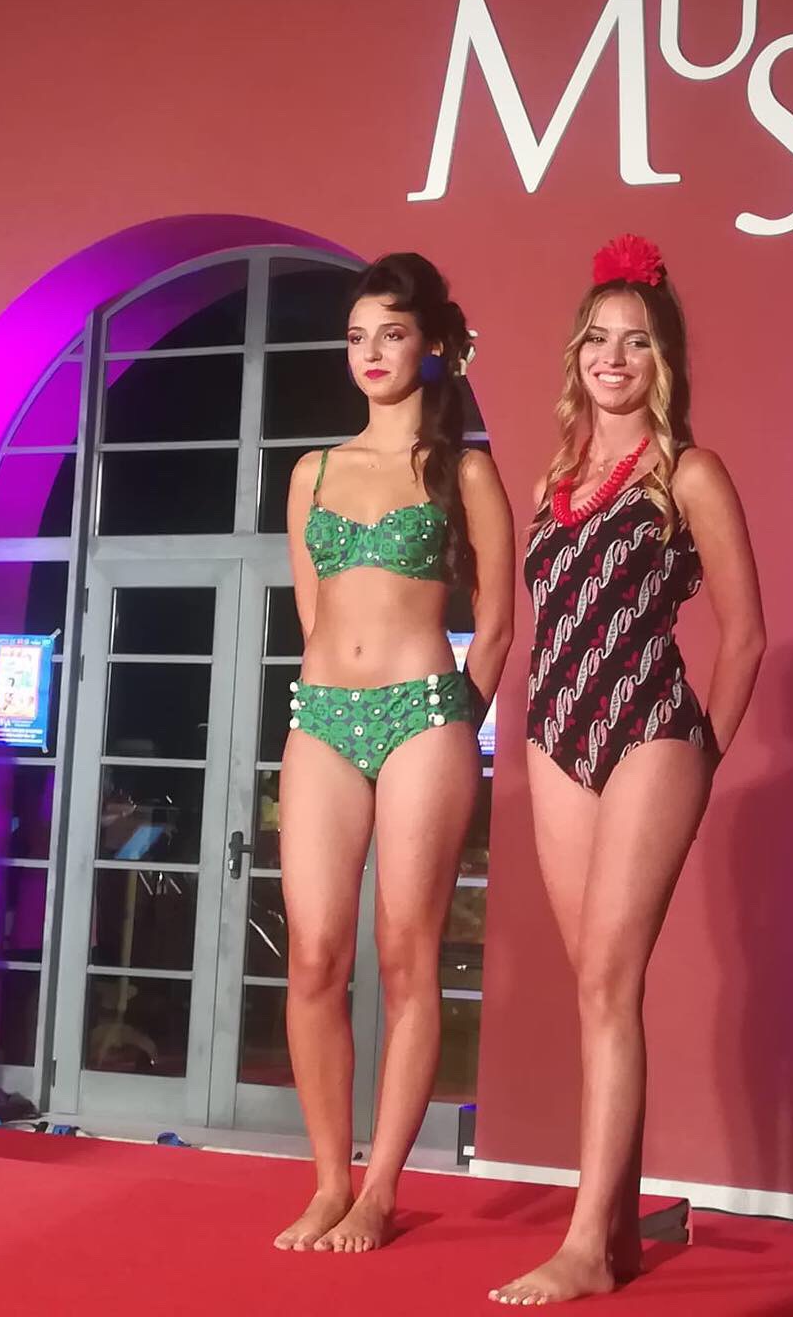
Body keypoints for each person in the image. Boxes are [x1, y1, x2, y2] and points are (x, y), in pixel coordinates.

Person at [489, 235, 766, 1305]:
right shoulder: (553, 477)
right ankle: (618, 1236)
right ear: (577, 355)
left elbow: (745, 635)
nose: (613, 357)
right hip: (554, 732)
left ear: (665, 361)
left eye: (636, 341)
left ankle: (581, 1245)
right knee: (598, 992)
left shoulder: (689, 473)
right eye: (598, 339)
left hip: (651, 725)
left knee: (609, 982)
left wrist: (702, 760)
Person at [272, 253, 514, 1254]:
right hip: (323, 718)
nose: (371, 353)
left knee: (406, 954)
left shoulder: (465, 470)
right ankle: (329, 1182)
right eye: (357, 337)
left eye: (393, 334)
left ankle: (379, 1193)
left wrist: (453, 719)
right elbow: (311, 615)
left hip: (425, 714)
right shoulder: (313, 473)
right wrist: (335, 693)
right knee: (314, 958)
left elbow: (497, 624)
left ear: (431, 346)